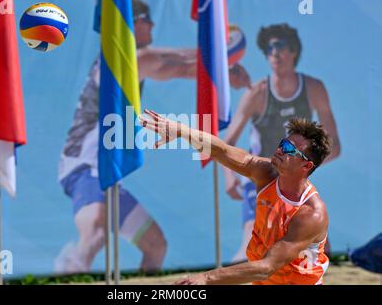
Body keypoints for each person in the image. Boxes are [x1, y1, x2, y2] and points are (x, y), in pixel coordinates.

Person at [54, 0, 250, 274]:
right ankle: (66, 273)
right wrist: (222, 49)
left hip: (104, 173)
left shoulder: (127, 57)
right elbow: (178, 63)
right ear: (131, 23)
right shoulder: (127, 57)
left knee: (155, 245)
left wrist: (221, 62)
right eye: (146, 17)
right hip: (85, 168)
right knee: (95, 235)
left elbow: (178, 63)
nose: (153, 23)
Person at [140, 109, 332, 285]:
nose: (281, 149)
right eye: (283, 144)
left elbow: (267, 267)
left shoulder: (311, 214)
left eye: (290, 150)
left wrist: (206, 278)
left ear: (306, 166)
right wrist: (182, 131)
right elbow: (221, 150)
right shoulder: (266, 173)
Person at [223, 23, 340, 262]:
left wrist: (298, 170)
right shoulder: (257, 93)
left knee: (317, 253)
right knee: (248, 249)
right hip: (261, 178)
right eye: (268, 48)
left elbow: (334, 146)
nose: (273, 52)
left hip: (292, 184)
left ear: (294, 51)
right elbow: (229, 141)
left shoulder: (314, 88)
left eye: (280, 45)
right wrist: (229, 177)